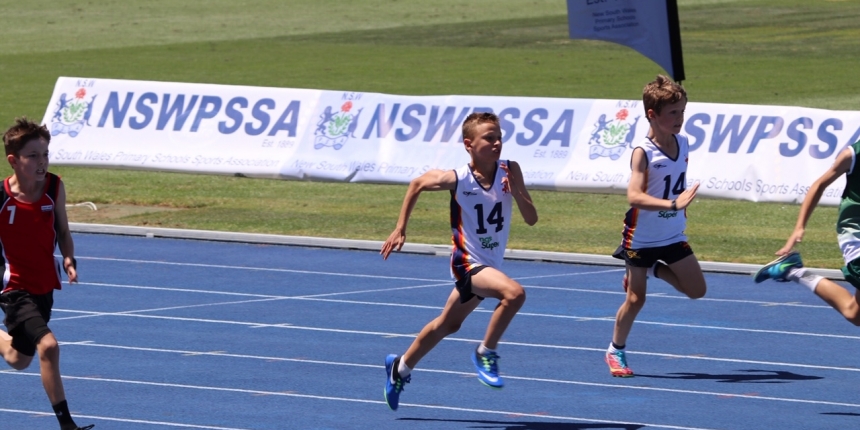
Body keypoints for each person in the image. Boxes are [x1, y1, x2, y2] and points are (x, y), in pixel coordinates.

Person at [379, 112, 538, 411]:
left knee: (447, 325)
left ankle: (400, 367)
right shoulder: (458, 178)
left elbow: (531, 219)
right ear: (469, 144)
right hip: (468, 264)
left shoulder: (510, 169)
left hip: (490, 266)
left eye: (499, 137)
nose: (497, 143)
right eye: (489, 138)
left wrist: (516, 189)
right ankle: (485, 352)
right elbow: (416, 184)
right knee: (514, 294)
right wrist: (401, 227)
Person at [606, 75, 706, 377]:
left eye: (682, 111)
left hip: (673, 233)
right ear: (652, 114)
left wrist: (676, 209)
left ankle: (653, 269)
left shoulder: (684, 142)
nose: (679, 119)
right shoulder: (643, 151)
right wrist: (673, 204)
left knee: (697, 290)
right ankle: (615, 350)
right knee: (636, 299)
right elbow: (634, 196)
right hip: (642, 237)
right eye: (672, 113)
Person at [0, 118, 93, 430]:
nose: (42, 162)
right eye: (33, 156)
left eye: (45, 154)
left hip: (44, 285)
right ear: (14, 160)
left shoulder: (54, 186)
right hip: (13, 288)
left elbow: (63, 229)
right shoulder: (0, 198)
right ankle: (67, 424)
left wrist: (68, 257)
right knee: (49, 346)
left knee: (18, 358)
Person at [753, 139, 860, 326]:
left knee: (854, 313)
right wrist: (799, 227)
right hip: (856, 234)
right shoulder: (852, 155)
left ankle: (792, 271)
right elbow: (819, 185)